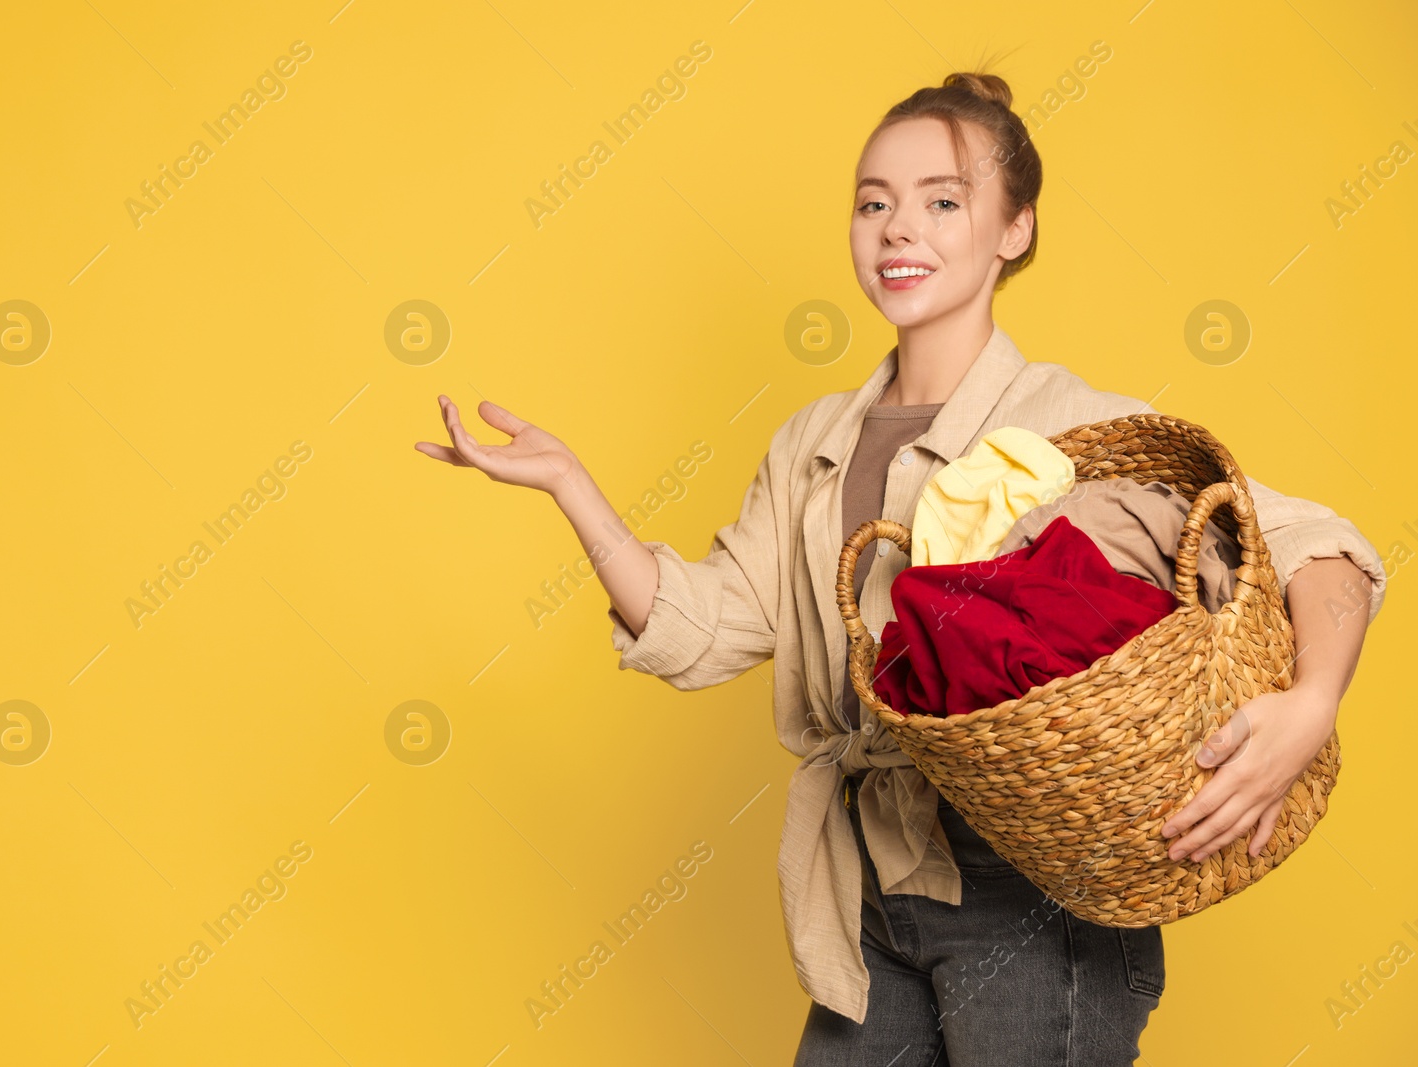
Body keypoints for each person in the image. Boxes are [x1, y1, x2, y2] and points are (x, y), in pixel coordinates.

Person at [415, 70, 1385, 1066]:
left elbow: (1324, 543)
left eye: (942, 201)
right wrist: (575, 489)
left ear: (1014, 229)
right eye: (872, 202)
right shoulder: (812, 444)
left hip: (1031, 887)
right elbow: (701, 631)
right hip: (864, 887)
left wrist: (1312, 699)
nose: (896, 229)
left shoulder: (1067, 422)